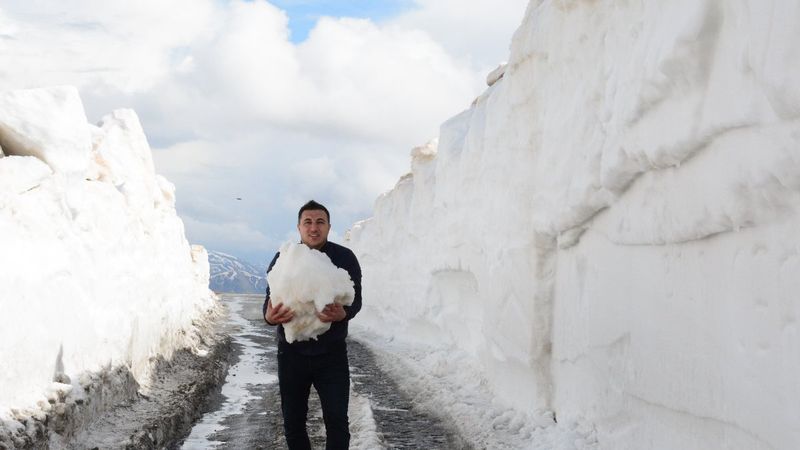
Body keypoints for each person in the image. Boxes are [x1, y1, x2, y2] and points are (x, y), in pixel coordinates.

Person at [263, 200, 362, 450]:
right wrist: (269, 317)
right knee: (293, 422)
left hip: (331, 355)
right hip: (291, 354)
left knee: (337, 420)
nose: (314, 228)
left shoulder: (344, 257)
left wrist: (344, 312)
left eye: (320, 222)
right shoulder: (285, 258)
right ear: (299, 227)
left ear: (329, 227)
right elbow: (269, 301)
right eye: (308, 222)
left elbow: (356, 299)